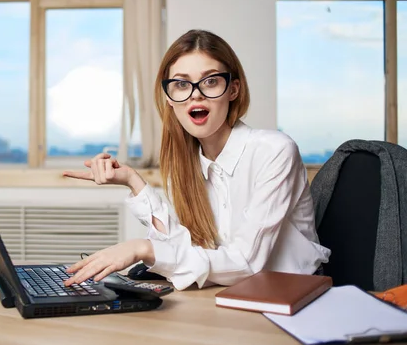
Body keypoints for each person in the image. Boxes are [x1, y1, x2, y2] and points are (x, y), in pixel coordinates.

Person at [63, 29, 331, 290]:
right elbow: (188, 251)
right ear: (169, 97)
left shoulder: (274, 151)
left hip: (291, 296)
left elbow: (247, 263)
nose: (195, 93)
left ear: (233, 89)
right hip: (232, 294)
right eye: (181, 84)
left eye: (210, 81)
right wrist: (134, 182)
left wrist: (143, 249)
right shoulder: (190, 164)